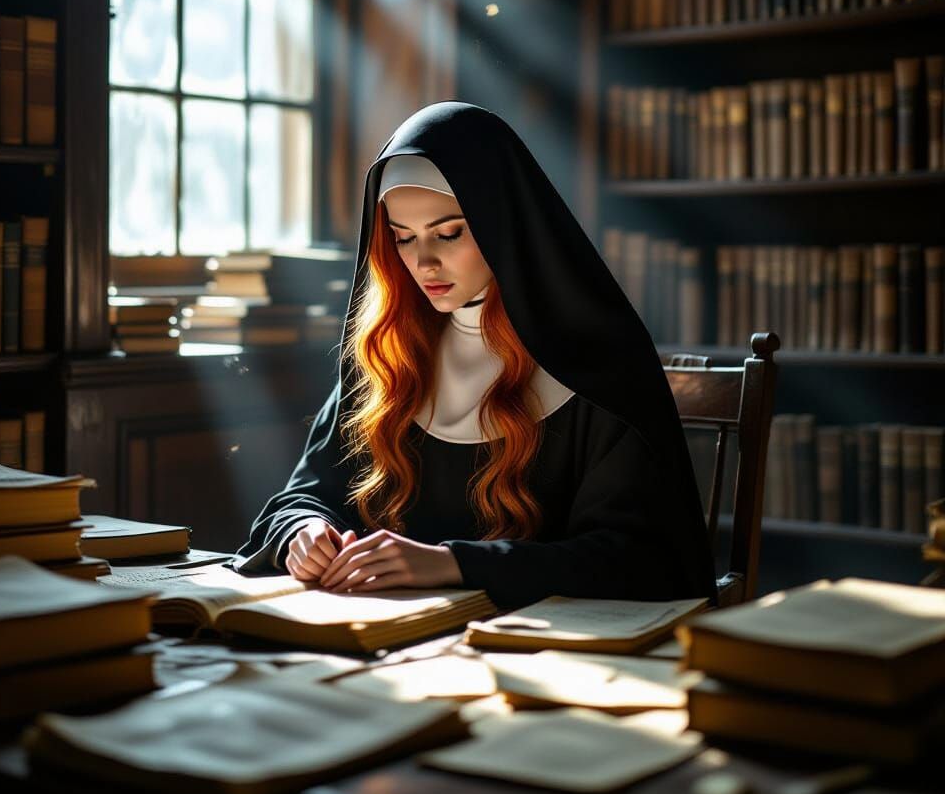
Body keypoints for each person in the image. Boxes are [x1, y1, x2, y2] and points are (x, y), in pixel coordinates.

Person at [234, 102, 715, 611]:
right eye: (403, 238)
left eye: (449, 233)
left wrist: (452, 564)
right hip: (394, 643)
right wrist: (304, 532)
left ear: (503, 223)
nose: (424, 262)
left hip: (542, 652)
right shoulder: (387, 352)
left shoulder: (597, 362)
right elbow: (304, 494)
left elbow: (636, 560)